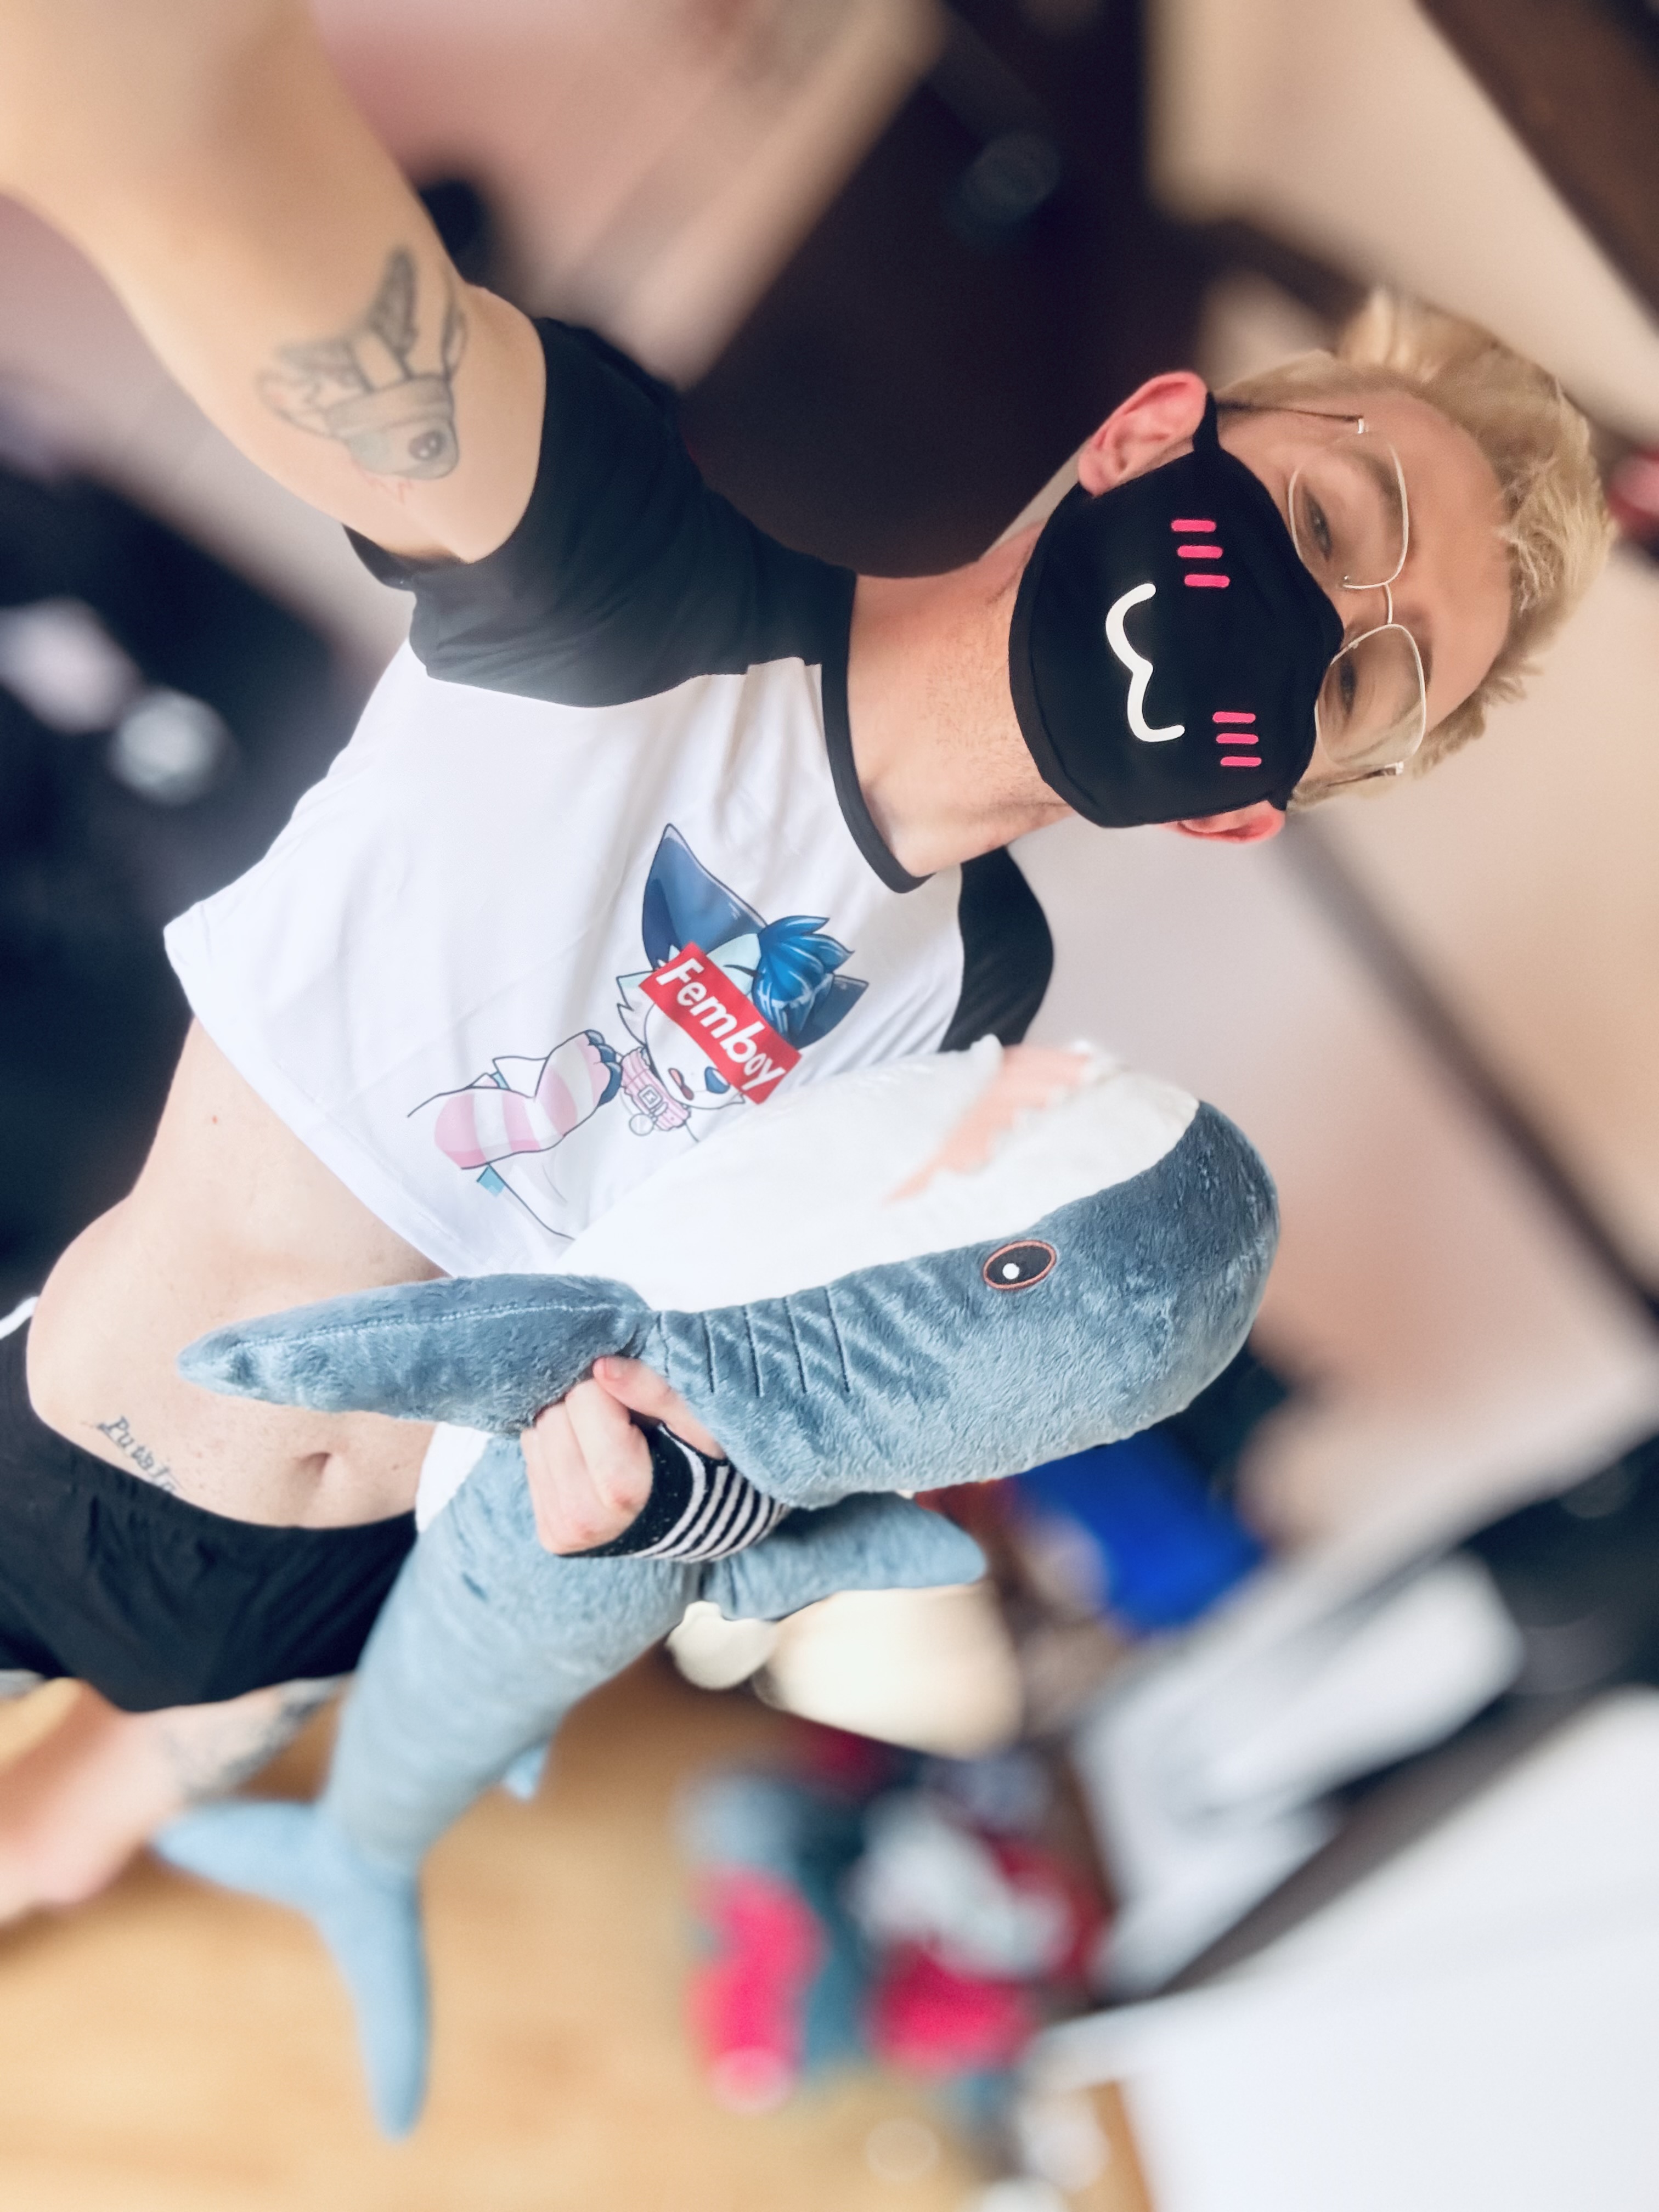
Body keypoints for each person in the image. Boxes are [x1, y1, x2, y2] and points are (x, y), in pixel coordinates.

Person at [0, 0, 1608, 1915]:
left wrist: (678, 1497)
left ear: (1247, 810)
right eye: (1335, 522)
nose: (1305, 626)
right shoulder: (616, 579)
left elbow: (736, 1376)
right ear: (1146, 435)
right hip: (62, 1461)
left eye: (1353, 683)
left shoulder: (978, 1013)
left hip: (310, 1634)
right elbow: (190, 132)